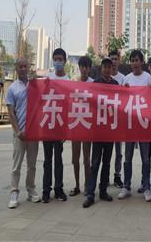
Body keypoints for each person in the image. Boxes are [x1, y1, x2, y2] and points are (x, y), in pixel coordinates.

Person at [118, 50, 151, 202]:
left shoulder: (147, 77)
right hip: (130, 124)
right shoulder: (126, 79)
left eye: (136, 60)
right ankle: (126, 186)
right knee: (128, 157)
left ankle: (146, 186)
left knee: (146, 158)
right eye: (132, 60)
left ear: (141, 62)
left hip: (144, 124)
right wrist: (124, 91)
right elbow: (121, 100)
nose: (134, 63)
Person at [83, 58, 118, 207]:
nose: (107, 69)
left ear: (112, 69)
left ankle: (103, 191)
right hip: (97, 130)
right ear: (101, 69)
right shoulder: (95, 84)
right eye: (105, 67)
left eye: (109, 67)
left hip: (110, 130)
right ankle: (90, 194)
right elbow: (89, 104)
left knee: (107, 163)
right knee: (95, 162)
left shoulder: (116, 85)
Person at [6, 58, 40, 209]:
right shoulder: (12, 89)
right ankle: (14, 192)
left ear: (28, 67)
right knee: (16, 165)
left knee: (32, 165)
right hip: (19, 133)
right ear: (16, 68)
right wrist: (18, 131)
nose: (23, 69)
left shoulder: (34, 86)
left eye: (25, 66)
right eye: (20, 66)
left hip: (33, 133)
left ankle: (31, 189)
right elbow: (11, 113)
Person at [42, 48, 69, 203]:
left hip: (59, 125)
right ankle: (46, 190)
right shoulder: (48, 78)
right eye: (56, 59)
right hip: (48, 124)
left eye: (60, 59)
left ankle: (58, 189)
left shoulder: (68, 80)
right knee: (47, 160)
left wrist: (66, 129)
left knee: (58, 159)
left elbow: (69, 105)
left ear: (65, 61)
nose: (58, 62)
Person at [70, 56, 94, 197]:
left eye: (87, 67)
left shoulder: (93, 83)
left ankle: (86, 185)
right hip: (75, 123)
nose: (84, 69)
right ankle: (77, 185)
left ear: (90, 68)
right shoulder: (73, 82)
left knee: (86, 158)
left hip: (87, 124)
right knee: (75, 158)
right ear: (79, 67)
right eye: (82, 66)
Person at [109, 50, 125, 188]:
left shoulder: (123, 79)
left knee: (119, 151)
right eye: (111, 59)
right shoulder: (104, 78)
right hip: (106, 119)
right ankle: (104, 176)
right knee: (106, 151)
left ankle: (117, 175)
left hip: (119, 120)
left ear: (119, 61)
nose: (113, 61)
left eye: (115, 59)